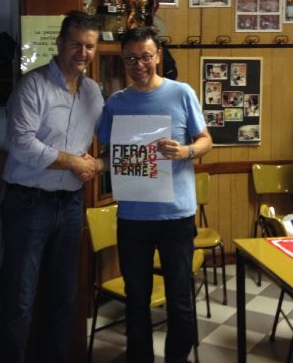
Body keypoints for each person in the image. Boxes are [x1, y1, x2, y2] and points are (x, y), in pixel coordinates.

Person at [97, 26, 213, 363]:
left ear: (158, 55)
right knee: (136, 299)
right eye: (130, 58)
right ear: (123, 60)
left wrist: (186, 151)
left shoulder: (181, 93)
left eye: (145, 56)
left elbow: (206, 140)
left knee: (180, 298)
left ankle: (178, 358)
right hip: (133, 217)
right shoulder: (116, 103)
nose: (139, 64)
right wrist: (91, 165)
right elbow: (110, 154)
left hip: (176, 216)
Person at [0, 11, 104, 363]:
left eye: (89, 46)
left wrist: (97, 164)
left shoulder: (93, 92)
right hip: (27, 205)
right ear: (59, 43)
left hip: (71, 204)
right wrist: (74, 162)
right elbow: (21, 145)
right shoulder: (32, 86)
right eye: (76, 44)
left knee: (64, 297)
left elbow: (109, 137)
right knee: (20, 298)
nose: (83, 52)